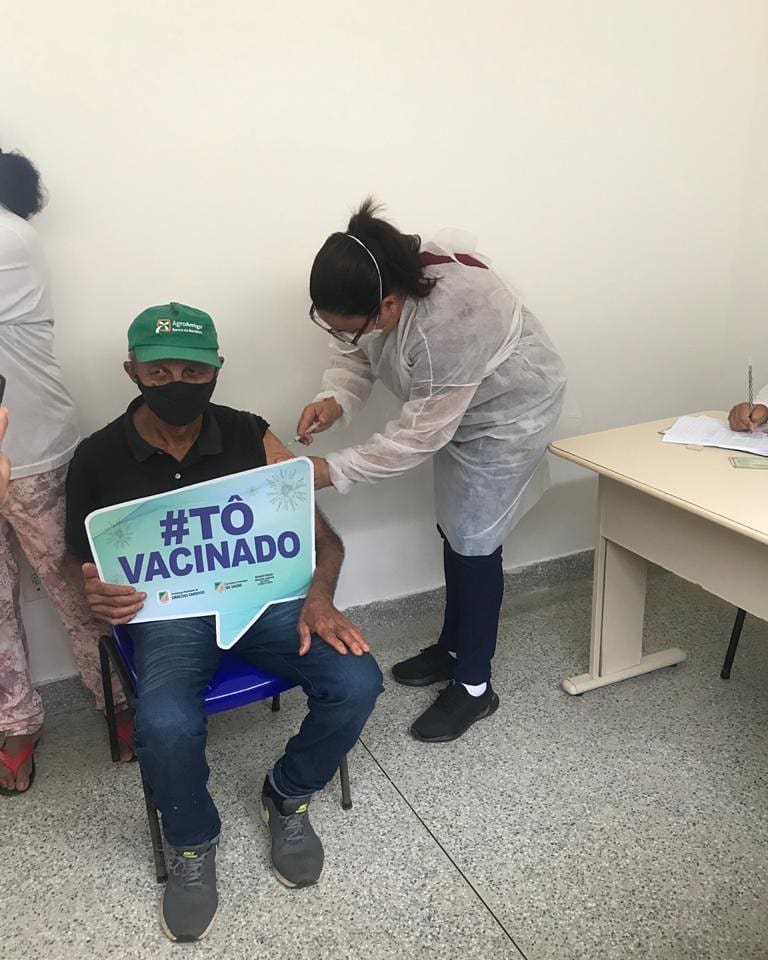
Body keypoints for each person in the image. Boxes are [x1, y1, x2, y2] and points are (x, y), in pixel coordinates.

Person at [65, 302, 382, 943]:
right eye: (159, 372)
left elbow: (321, 538)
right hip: (169, 614)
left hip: (263, 600)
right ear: (132, 371)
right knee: (163, 724)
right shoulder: (97, 456)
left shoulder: (248, 434)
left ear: (216, 369)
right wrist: (92, 589)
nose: (176, 384)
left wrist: (319, 598)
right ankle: (191, 842)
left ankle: (287, 793)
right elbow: (80, 559)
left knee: (357, 680)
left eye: (193, 371)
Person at [298, 199, 566, 744]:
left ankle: (474, 685)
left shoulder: (455, 318)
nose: (345, 336)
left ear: (389, 305)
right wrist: (334, 400)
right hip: (455, 413)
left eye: (352, 328)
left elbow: (420, 435)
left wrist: (331, 469)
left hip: (508, 417)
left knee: (475, 543)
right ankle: (452, 647)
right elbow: (357, 351)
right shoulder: (375, 283)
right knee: (455, 528)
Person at [0, 148, 131, 798]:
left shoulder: (9, 235)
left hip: (33, 453)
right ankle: (15, 723)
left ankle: (121, 702)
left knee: (74, 588)